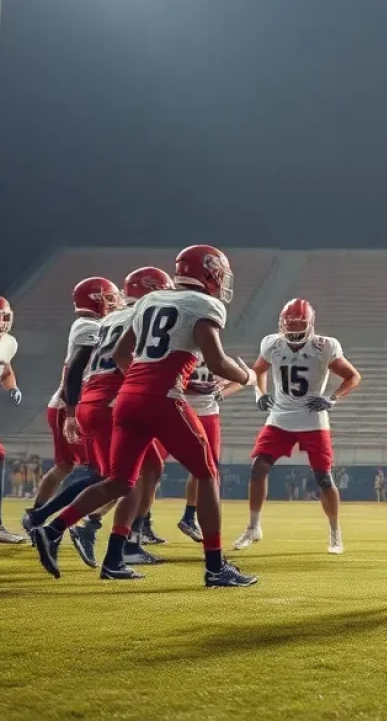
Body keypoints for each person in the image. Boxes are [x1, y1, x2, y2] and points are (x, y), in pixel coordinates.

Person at [29, 245, 258, 588]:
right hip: (162, 397)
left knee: (120, 481)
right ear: (210, 271)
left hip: (126, 399)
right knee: (207, 474)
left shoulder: (151, 301)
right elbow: (217, 360)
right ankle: (215, 567)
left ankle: (53, 528)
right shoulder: (204, 305)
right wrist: (246, 377)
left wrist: (139, 384)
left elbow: (123, 353)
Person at [27, 268, 173, 575]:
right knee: (123, 480)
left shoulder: (108, 320)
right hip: (109, 402)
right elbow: (87, 364)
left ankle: (114, 541)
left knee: (149, 468)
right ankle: (81, 535)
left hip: (99, 400)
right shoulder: (127, 319)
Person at [232, 298, 361, 555]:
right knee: (258, 468)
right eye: (290, 333)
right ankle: (254, 526)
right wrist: (260, 393)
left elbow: (353, 376)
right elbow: (257, 370)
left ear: (311, 326)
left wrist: (333, 397)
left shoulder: (325, 346)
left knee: (323, 478)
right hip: (280, 417)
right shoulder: (272, 342)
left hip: (313, 419)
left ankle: (335, 532)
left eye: (299, 334)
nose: (294, 339)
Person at [178, 356, 243, 542]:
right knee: (152, 467)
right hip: (178, 409)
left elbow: (238, 381)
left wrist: (221, 393)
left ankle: (189, 516)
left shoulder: (217, 356)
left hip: (208, 413)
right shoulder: (181, 350)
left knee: (207, 468)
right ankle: (142, 523)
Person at [0, 296, 28, 543]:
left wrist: (12, 387)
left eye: (6, 316)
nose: (5, 321)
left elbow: (5, 368)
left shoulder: (9, 342)